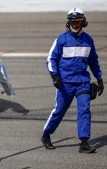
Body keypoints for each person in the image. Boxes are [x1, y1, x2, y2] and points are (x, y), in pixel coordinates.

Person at [42, 7, 104, 153]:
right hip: (65, 83)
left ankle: (84, 142)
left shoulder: (88, 40)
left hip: (82, 82)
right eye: (72, 23)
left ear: (83, 23)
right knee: (59, 110)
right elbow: (51, 59)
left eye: (78, 23)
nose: (75, 25)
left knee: (84, 110)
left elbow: (93, 61)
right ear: (68, 24)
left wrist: (99, 78)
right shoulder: (61, 39)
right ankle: (46, 134)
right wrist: (55, 76)